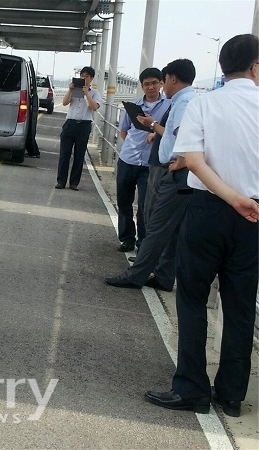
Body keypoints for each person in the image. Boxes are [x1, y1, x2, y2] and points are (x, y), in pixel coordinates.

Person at [145, 34, 259, 417]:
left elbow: (192, 159)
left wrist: (230, 198)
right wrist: (245, 201)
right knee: (241, 306)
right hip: (254, 216)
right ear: (256, 67)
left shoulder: (204, 104)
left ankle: (192, 388)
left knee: (192, 297)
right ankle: (231, 395)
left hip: (208, 209)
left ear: (224, 67)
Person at [105, 59, 196, 292]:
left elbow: (183, 135)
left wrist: (182, 159)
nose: (160, 86)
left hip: (172, 171)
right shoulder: (185, 100)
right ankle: (164, 277)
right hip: (163, 167)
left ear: (172, 78)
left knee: (155, 224)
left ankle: (135, 276)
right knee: (172, 229)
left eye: (162, 81)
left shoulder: (184, 102)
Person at [115, 68, 170, 252]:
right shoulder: (133, 106)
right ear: (142, 86)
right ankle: (127, 238)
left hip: (150, 164)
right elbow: (123, 130)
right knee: (124, 201)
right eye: (146, 84)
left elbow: (171, 132)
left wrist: (155, 132)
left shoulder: (168, 106)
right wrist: (133, 145)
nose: (151, 87)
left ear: (161, 83)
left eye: (154, 82)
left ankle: (143, 243)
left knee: (146, 206)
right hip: (127, 159)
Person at [55, 66, 101, 190]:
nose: (83, 78)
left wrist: (86, 93)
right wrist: (70, 90)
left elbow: (94, 107)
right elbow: (64, 103)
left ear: (91, 78)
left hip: (84, 125)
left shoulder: (95, 93)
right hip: (70, 123)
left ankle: (74, 183)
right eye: (82, 75)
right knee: (64, 154)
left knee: (79, 155)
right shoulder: (74, 90)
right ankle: (61, 181)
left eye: (86, 76)